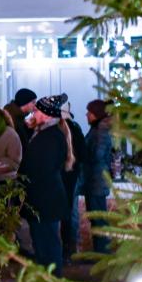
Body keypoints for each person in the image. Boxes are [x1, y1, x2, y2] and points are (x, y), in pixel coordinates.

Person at [19, 93, 74, 277]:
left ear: (47, 114)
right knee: (43, 243)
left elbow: (40, 168)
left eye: (37, 110)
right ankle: (48, 281)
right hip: (42, 199)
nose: (33, 113)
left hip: (45, 200)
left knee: (47, 245)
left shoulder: (50, 137)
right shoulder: (45, 134)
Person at [84, 99, 114, 256]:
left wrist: (84, 155)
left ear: (96, 114)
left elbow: (97, 154)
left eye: (89, 112)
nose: (86, 115)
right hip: (95, 180)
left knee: (98, 218)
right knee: (96, 217)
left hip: (96, 181)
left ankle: (102, 252)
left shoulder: (100, 131)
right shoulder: (98, 129)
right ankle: (100, 251)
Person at [60, 101, 87, 263]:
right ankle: (71, 248)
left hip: (68, 176)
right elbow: (83, 153)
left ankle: (69, 249)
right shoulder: (75, 128)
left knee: (69, 213)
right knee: (70, 212)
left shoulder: (64, 130)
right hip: (73, 175)